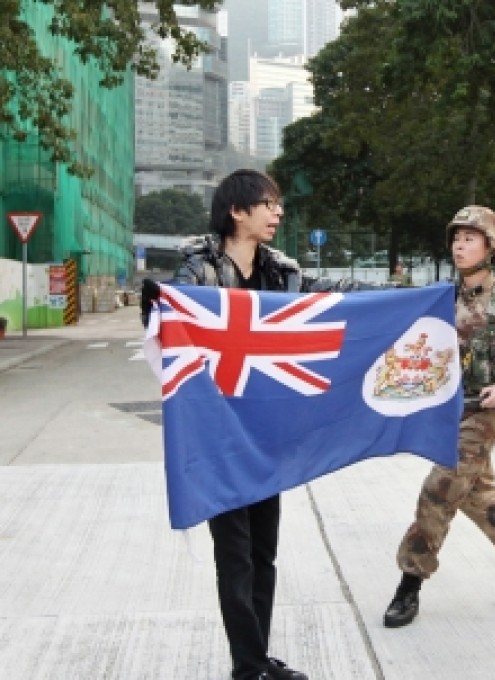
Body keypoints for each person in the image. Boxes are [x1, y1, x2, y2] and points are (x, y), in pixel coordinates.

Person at [141, 170, 307, 680]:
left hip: (265, 431)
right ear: (238, 211)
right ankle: (249, 666)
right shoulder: (199, 270)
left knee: (264, 552)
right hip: (218, 432)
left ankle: (256, 657)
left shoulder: (283, 272)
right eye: (268, 204)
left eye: (279, 206)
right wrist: (158, 300)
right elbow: (173, 310)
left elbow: (330, 303)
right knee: (234, 554)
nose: (277, 213)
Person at [383, 205, 495, 628]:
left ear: (491, 247)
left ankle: (409, 585)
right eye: (456, 238)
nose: (460, 245)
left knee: (440, 490)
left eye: (470, 238)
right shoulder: (443, 297)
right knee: (478, 495)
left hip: (483, 414)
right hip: (448, 412)